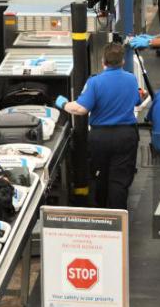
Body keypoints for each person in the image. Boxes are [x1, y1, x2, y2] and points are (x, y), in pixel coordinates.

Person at [55, 43, 141, 210]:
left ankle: (102, 212)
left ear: (103, 61)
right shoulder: (131, 79)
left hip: (100, 137)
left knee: (100, 175)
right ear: (122, 61)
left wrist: (63, 103)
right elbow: (137, 101)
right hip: (126, 134)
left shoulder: (95, 82)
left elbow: (80, 109)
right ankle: (119, 216)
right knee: (120, 179)